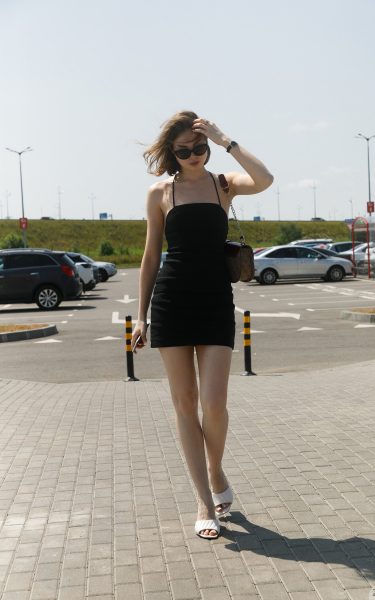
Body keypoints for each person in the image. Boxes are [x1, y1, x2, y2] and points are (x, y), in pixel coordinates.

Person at [132, 111, 273, 539]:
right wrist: (141, 315)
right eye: (184, 150)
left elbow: (265, 179)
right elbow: (151, 256)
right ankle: (204, 501)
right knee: (185, 404)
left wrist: (226, 139)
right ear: (171, 153)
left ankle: (215, 471)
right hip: (172, 301)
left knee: (213, 404)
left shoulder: (223, 185)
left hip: (214, 300)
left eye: (199, 147)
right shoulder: (161, 192)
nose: (193, 155)